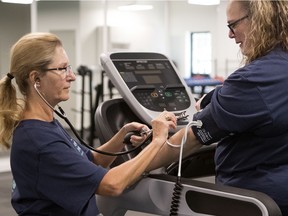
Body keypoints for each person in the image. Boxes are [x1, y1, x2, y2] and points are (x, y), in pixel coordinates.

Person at [0, 32, 181, 216]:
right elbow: (112, 185)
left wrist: (122, 135)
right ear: (36, 79)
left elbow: (91, 160)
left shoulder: (46, 124)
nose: (72, 76)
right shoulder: (39, 140)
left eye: (68, 67)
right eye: (62, 69)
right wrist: (158, 140)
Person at [150, 0, 288, 215]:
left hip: (253, 199)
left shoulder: (254, 80)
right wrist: (215, 98)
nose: (230, 35)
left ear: (259, 19)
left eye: (233, 25)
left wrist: (128, 170)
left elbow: (192, 138)